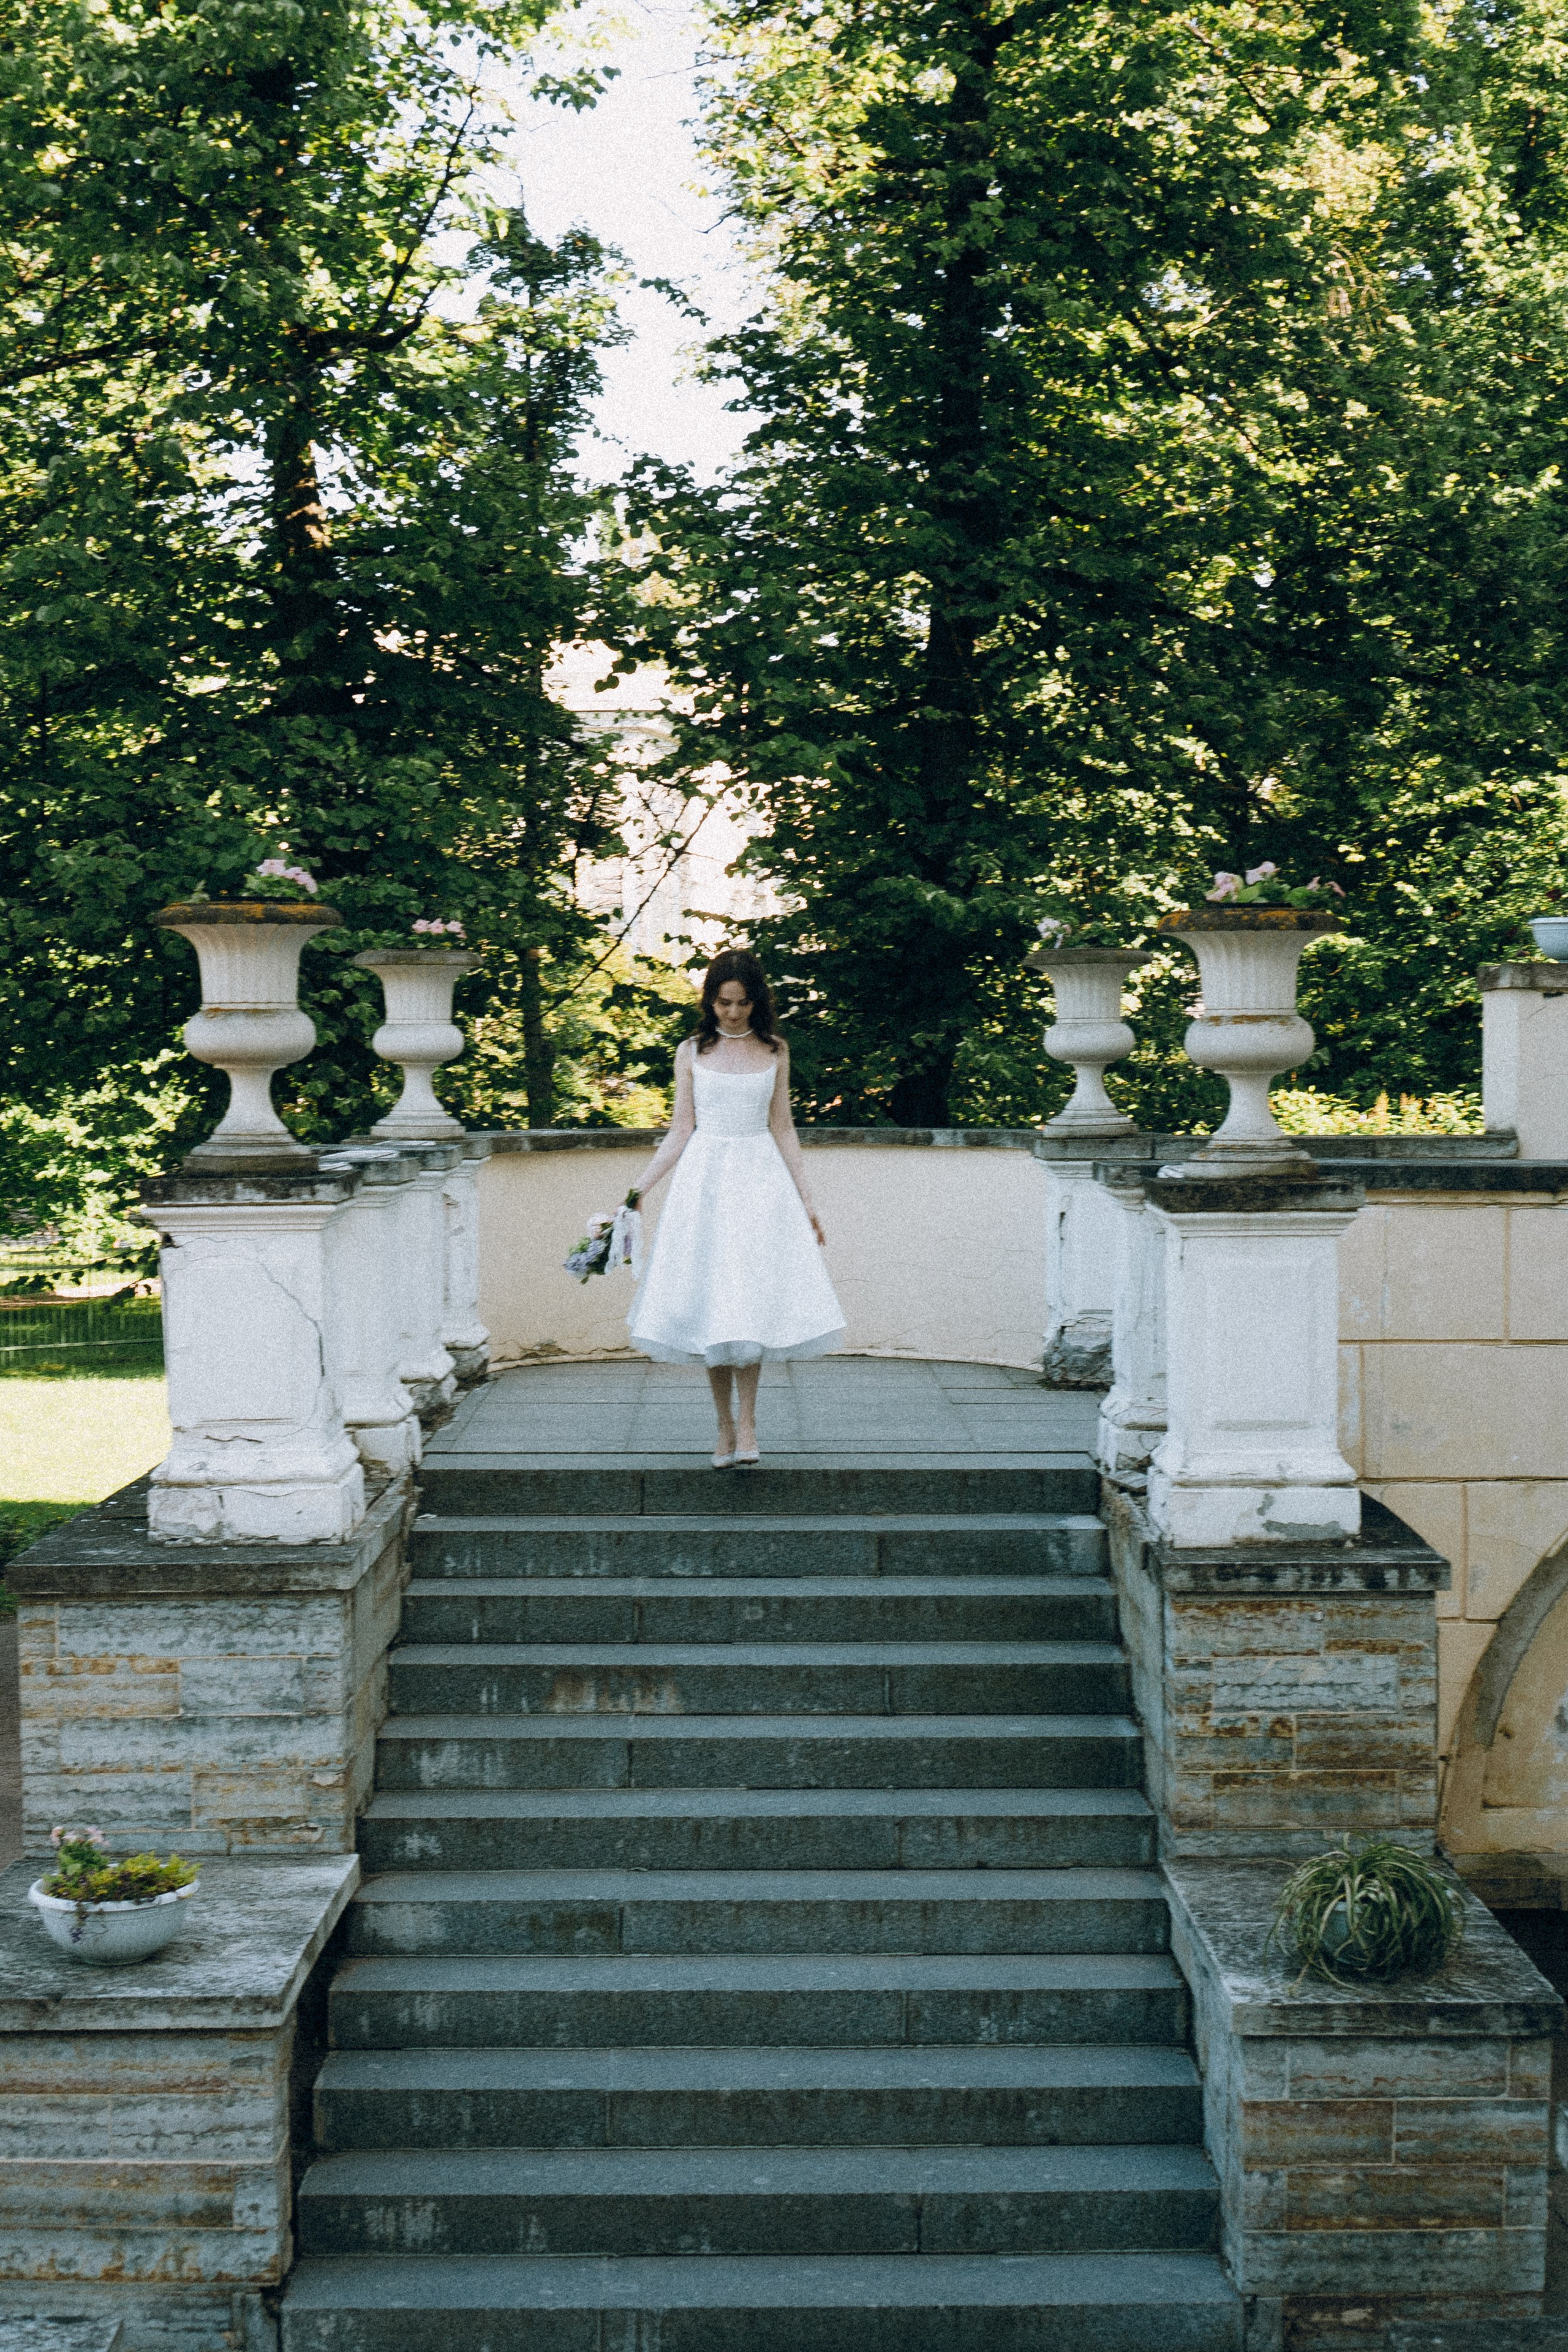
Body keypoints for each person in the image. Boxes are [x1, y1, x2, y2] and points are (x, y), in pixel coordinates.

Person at [627, 946, 845, 1465]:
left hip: (759, 1184)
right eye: (724, 1002)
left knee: (748, 1305)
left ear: (757, 1001)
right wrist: (637, 1192)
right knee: (712, 1305)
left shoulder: (775, 1050)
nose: (732, 1013)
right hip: (704, 1185)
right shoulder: (692, 1051)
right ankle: (723, 1427)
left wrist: (807, 1199)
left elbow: (783, 1127)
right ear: (710, 1000)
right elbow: (681, 1130)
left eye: (742, 1003)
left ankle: (748, 1423)